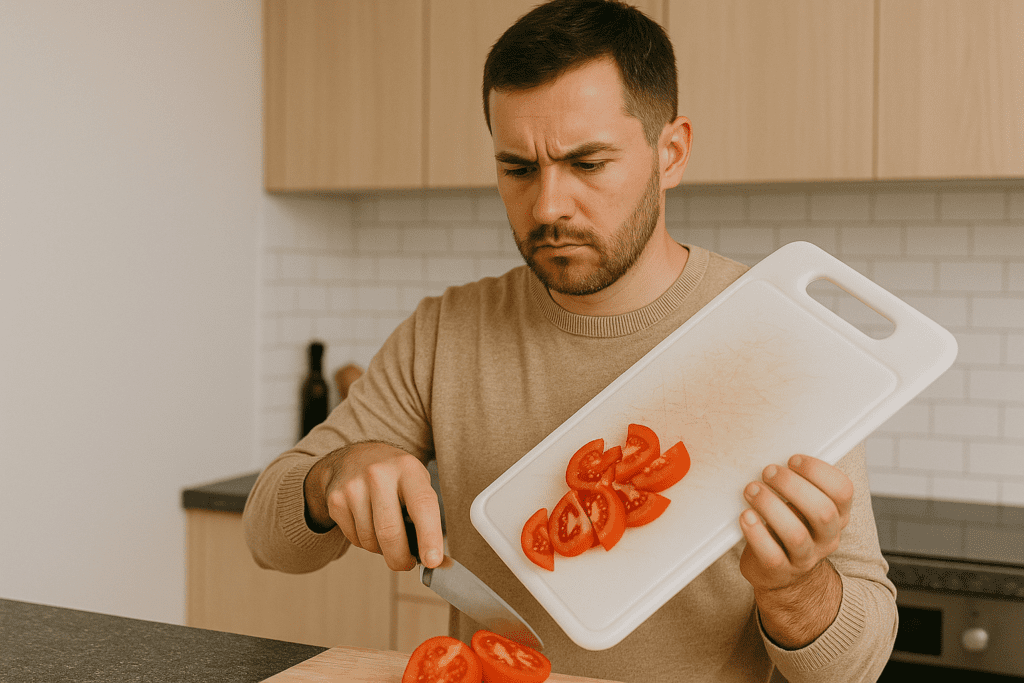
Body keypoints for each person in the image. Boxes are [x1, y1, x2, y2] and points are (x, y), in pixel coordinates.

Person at [243, 1, 897, 680]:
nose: (548, 205)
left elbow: (855, 667)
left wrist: (795, 591)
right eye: (519, 169)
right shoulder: (446, 330)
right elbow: (268, 535)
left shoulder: (777, 340)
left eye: (587, 163)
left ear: (670, 153)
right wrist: (330, 477)